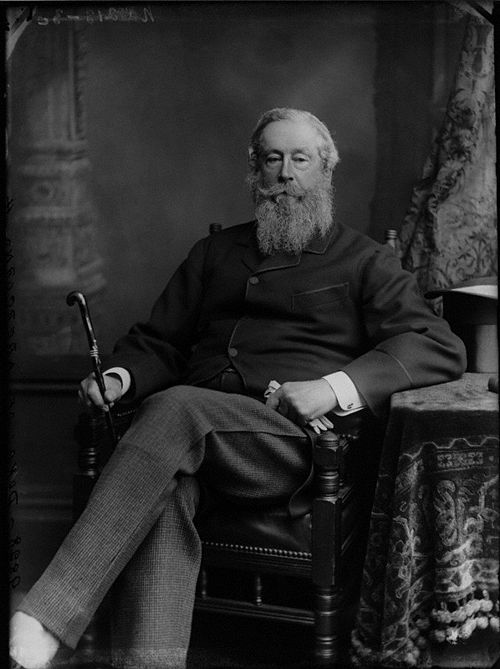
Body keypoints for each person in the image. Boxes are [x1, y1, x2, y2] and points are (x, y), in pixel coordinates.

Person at [10, 108, 466, 669]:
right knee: (166, 493)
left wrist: (333, 387)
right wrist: (119, 377)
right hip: (185, 439)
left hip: (285, 445)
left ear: (326, 170)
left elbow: (436, 343)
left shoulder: (364, 259)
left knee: (175, 409)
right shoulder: (214, 253)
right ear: (255, 170)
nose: (286, 173)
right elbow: (160, 342)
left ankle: (48, 617)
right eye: (273, 158)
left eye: (301, 159)